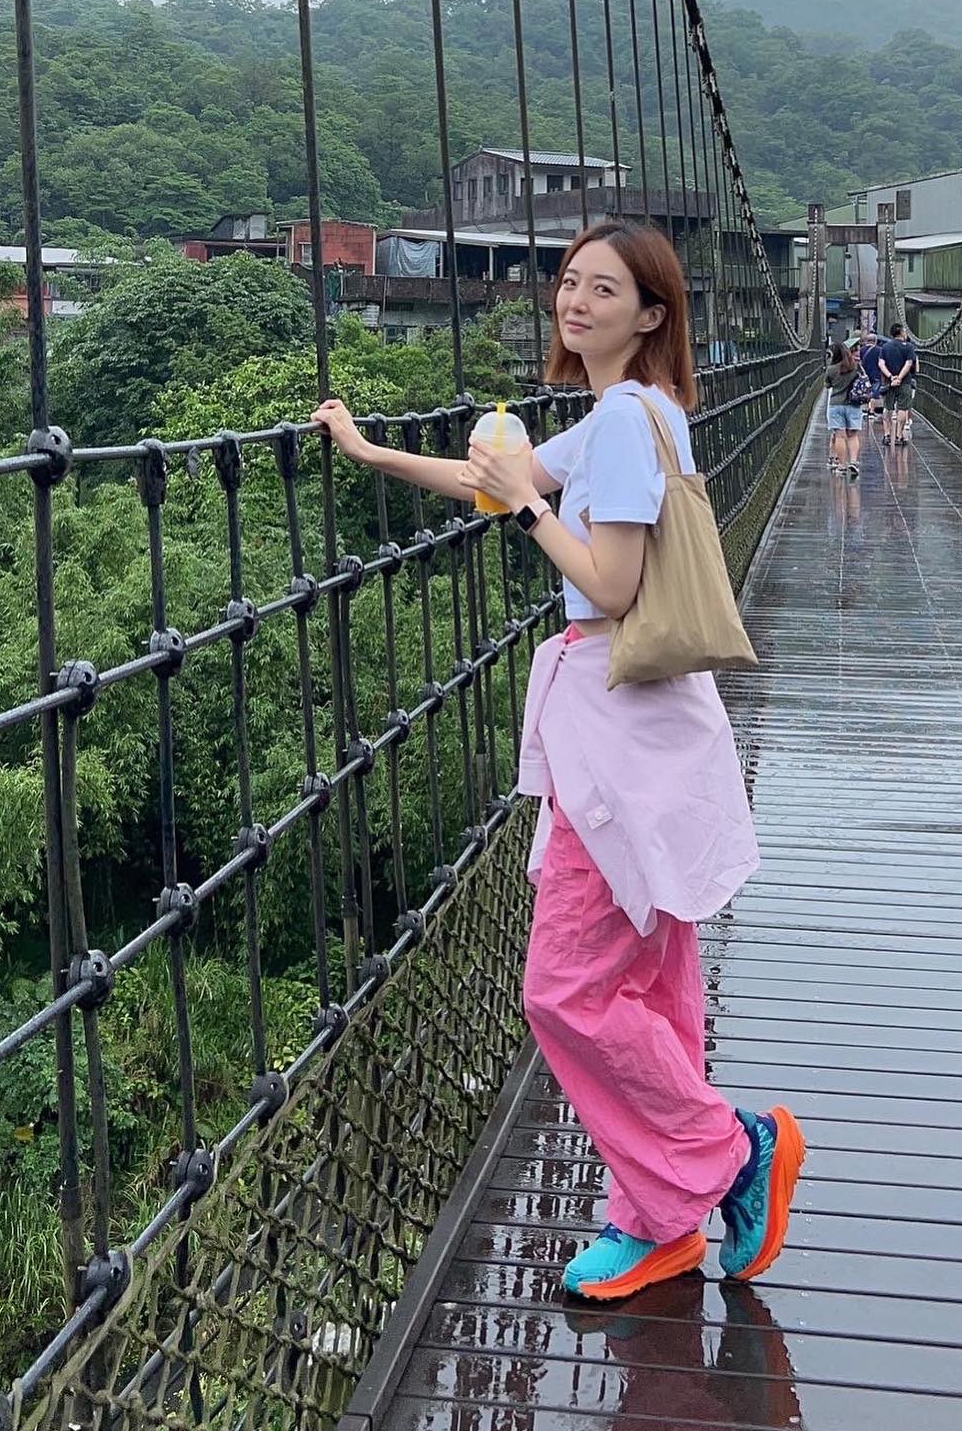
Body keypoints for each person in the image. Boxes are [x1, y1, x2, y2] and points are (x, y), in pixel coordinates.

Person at [314, 221, 804, 1303]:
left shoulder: (624, 422)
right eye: (569, 281)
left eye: (604, 288)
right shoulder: (638, 412)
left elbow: (612, 584)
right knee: (650, 979)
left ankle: (729, 1152)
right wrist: (372, 451)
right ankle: (661, 1215)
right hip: (650, 726)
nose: (574, 300)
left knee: (566, 988)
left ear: (652, 313)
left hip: (617, 729)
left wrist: (530, 504)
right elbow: (492, 481)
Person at [824, 340, 863, 477]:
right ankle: (853, 462)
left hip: (836, 404)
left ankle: (841, 465)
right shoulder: (855, 367)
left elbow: (827, 385)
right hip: (853, 404)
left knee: (840, 436)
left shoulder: (831, 369)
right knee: (853, 435)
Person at [878, 322, 917, 446]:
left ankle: (887, 435)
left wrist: (891, 377)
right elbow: (908, 364)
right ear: (901, 332)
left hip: (888, 383)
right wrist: (899, 378)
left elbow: (881, 364)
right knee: (902, 408)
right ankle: (899, 436)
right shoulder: (909, 347)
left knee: (887, 408)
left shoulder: (885, 347)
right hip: (904, 382)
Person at [856, 327, 887, 430]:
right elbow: (881, 363)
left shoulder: (861, 350)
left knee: (865, 392)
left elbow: (859, 362)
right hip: (876, 374)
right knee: (874, 393)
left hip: (864, 375)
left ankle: (865, 410)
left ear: (866, 340)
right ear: (875, 341)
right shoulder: (879, 350)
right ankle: (871, 411)